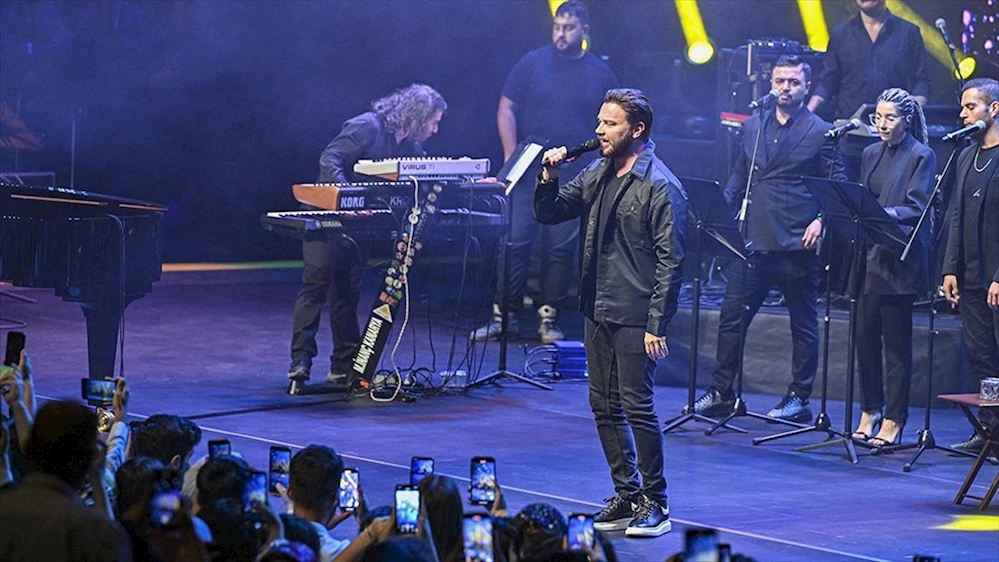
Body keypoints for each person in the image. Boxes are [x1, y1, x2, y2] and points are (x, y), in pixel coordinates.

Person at [535, 88, 685, 537]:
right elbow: (550, 213)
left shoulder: (660, 185)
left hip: (635, 313)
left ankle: (656, 502)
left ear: (636, 129)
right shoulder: (598, 171)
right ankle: (627, 494)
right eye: (599, 121)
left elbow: (671, 262)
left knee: (637, 407)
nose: (599, 130)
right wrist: (549, 176)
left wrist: (657, 324)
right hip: (597, 307)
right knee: (603, 405)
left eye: (610, 123)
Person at [687, 55, 846, 423]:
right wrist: (719, 212)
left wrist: (821, 220)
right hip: (754, 240)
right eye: (779, 81)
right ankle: (722, 391)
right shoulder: (754, 125)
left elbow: (836, 185)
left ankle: (798, 397)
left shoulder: (820, 130)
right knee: (732, 318)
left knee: (802, 324)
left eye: (793, 82)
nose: (785, 88)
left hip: (796, 242)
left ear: (806, 86)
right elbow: (740, 174)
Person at [471, 0, 617, 344]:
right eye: (557, 27)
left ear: (584, 30)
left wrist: (595, 158)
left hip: (572, 174)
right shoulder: (533, 62)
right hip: (529, 171)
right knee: (515, 240)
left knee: (560, 248)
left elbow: (612, 123)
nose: (561, 34)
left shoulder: (600, 73)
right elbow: (506, 108)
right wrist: (511, 156)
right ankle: (503, 315)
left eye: (568, 28)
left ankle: (548, 316)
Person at [289, 84, 446, 384]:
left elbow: (421, 176)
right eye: (433, 121)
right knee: (316, 285)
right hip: (325, 215)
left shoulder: (408, 145)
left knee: (348, 292)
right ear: (419, 115)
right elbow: (330, 158)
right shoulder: (367, 126)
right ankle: (300, 361)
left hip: (358, 225)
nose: (435, 129)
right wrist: (347, 198)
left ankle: (343, 366)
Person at [853, 88, 935, 447]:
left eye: (890, 118)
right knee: (865, 339)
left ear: (907, 119)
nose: (882, 124)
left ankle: (894, 418)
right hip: (869, 258)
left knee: (896, 347)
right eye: (878, 117)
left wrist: (880, 214)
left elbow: (917, 206)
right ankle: (870, 409)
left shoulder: (921, 154)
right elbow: (862, 196)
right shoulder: (870, 152)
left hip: (899, 262)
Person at [807, 0, 931, 181]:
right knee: (847, 195)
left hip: (894, 141)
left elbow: (921, 82)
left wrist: (909, 109)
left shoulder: (908, 32)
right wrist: (806, 113)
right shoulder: (841, 34)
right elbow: (828, 82)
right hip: (850, 140)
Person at [941, 78, 999, 452]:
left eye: (971, 107)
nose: (963, 114)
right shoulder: (965, 156)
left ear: (994, 109)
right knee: (982, 356)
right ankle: (991, 431)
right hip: (972, 275)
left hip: (996, 275)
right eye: (962, 107)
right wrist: (950, 268)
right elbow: (956, 216)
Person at [0, 401, 133, 561]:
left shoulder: (5, 505)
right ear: (89, 459)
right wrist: (97, 480)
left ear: (30, 450)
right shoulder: (95, 531)